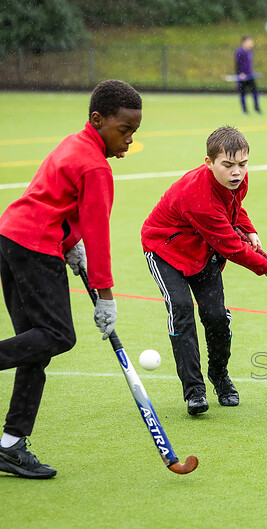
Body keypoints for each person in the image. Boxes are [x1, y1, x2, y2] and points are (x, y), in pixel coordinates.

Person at [0, 80, 142, 479]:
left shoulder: (75, 142)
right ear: (97, 120)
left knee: (35, 348)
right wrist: (106, 295)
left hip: (11, 238)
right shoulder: (96, 166)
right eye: (123, 130)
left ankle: (11, 445)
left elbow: (51, 196)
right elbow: (99, 233)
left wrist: (67, 240)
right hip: (34, 246)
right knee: (59, 335)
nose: (129, 139)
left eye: (134, 132)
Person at [141, 126, 267, 415]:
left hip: (202, 251)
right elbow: (231, 248)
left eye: (243, 164)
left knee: (214, 315)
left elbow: (233, 208)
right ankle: (194, 391)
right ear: (209, 162)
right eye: (227, 165)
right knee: (182, 309)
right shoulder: (197, 197)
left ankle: (220, 377)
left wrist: (249, 229)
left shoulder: (237, 180)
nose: (237, 172)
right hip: (166, 251)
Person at [234, 35, 260, 114]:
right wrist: (240, 73)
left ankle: (256, 108)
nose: (252, 43)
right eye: (250, 42)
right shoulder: (239, 51)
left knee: (255, 92)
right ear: (244, 42)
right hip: (242, 76)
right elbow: (237, 64)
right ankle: (244, 110)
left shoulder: (250, 51)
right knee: (242, 93)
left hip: (250, 75)